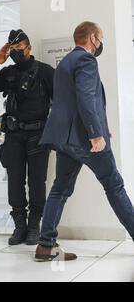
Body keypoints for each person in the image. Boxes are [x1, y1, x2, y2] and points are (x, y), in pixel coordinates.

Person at [35, 22, 134, 262]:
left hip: (65, 139)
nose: (100, 43)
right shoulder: (87, 60)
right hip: (84, 139)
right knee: (114, 184)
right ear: (92, 37)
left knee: (60, 188)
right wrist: (95, 133)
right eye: (100, 38)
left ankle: (45, 245)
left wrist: (102, 125)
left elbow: (72, 102)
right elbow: (86, 97)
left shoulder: (66, 62)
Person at [0, 30, 55, 246]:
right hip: (13, 134)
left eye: (19, 48)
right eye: (12, 49)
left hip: (38, 134)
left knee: (37, 181)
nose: (15, 53)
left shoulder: (45, 72)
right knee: (15, 181)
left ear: (29, 48)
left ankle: (33, 226)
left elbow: (59, 102)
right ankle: (19, 225)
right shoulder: (8, 72)